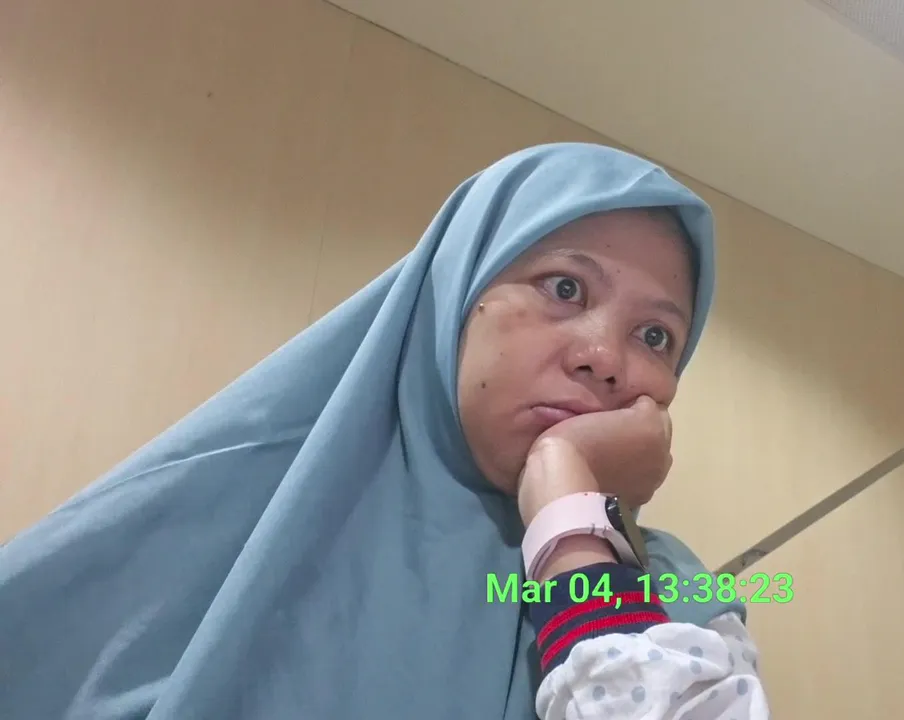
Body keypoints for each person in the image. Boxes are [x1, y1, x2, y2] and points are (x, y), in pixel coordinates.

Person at [0, 143, 771, 719]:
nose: (605, 358)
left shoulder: (672, 597)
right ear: (454, 297)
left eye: (656, 337)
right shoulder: (229, 507)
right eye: (564, 287)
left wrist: (571, 517)